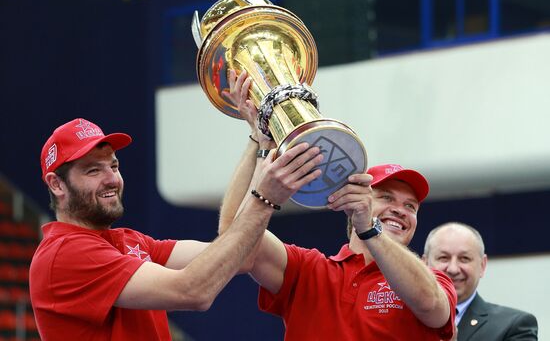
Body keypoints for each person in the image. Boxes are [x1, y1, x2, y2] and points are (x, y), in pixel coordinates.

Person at [29, 117, 323, 341]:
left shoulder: (127, 241)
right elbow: (192, 291)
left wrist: (258, 144)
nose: (111, 179)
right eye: (93, 170)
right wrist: (264, 199)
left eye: (114, 166)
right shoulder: (66, 253)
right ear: (56, 184)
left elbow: (242, 256)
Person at [218, 70, 457, 340]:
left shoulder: (435, 279)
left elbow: (429, 303)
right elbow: (233, 238)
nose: (400, 210)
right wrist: (257, 141)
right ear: (354, 198)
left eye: (411, 206)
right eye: (386, 197)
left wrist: (370, 229)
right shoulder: (308, 270)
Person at [423, 222, 538, 340]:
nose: (453, 269)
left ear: (482, 265)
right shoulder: (404, 318)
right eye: (444, 258)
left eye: (464, 259)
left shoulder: (514, 326)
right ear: (424, 264)